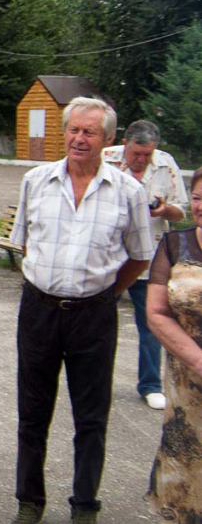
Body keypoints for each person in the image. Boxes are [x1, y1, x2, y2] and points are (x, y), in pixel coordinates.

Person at [9, 97, 154, 524]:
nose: (78, 138)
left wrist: (107, 294)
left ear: (108, 140)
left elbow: (140, 256)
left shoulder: (128, 191)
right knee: (33, 413)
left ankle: (85, 505)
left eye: (89, 131)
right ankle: (29, 502)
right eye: (73, 129)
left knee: (92, 417)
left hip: (95, 314)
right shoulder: (36, 180)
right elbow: (24, 242)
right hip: (39, 311)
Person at [102, 120, 188, 410]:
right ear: (125, 144)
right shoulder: (104, 158)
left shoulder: (166, 164)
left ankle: (150, 385)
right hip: (110, 257)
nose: (141, 160)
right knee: (98, 324)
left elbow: (180, 212)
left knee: (151, 324)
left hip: (149, 260)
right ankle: (97, 380)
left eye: (147, 154)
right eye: (136, 153)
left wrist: (164, 210)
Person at [146, 167, 202, 523]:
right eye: (198, 198)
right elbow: (156, 312)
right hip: (186, 392)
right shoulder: (173, 245)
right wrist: (198, 360)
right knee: (186, 485)